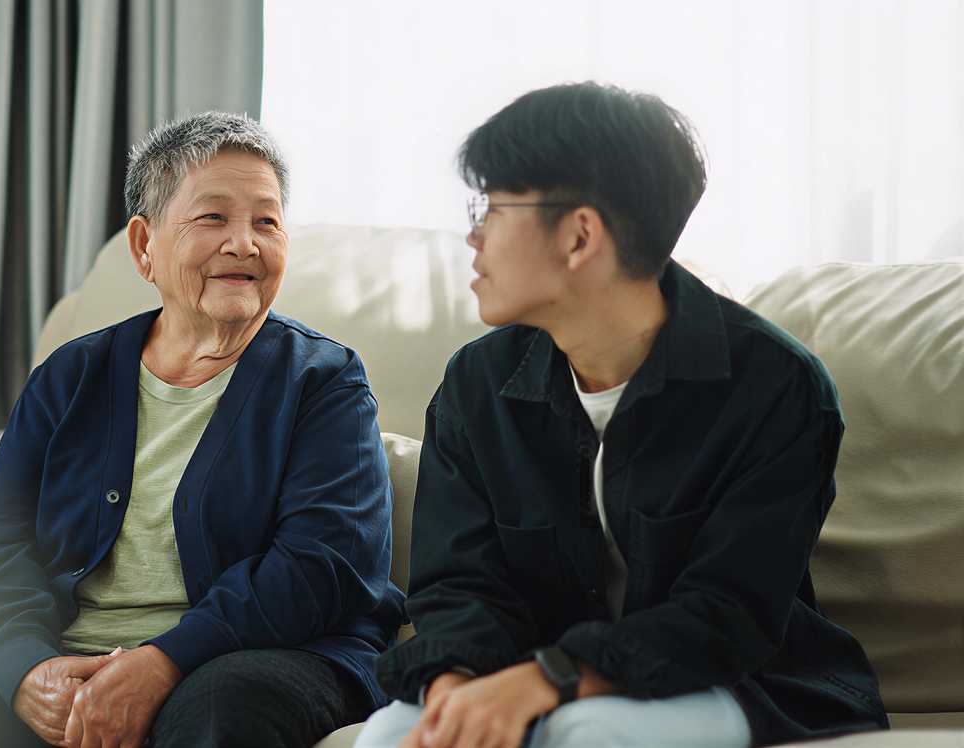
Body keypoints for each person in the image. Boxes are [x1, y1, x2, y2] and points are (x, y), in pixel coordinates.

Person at [357, 82, 888, 748]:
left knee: (590, 732)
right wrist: (455, 687)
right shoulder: (477, 384)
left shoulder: (776, 388)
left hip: (736, 681)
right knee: (391, 735)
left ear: (579, 236)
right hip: (521, 673)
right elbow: (457, 585)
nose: (472, 236)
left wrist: (550, 678)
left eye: (491, 207)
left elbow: (728, 615)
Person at [0, 111, 405, 748]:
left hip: (255, 658)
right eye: (213, 217)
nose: (245, 243)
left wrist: (164, 662)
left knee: (225, 705)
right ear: (144, 246)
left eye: (266, 221)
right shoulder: (71, 375)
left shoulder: (325, 380)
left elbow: (326, 564)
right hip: (74, 652)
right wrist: (26, 669)